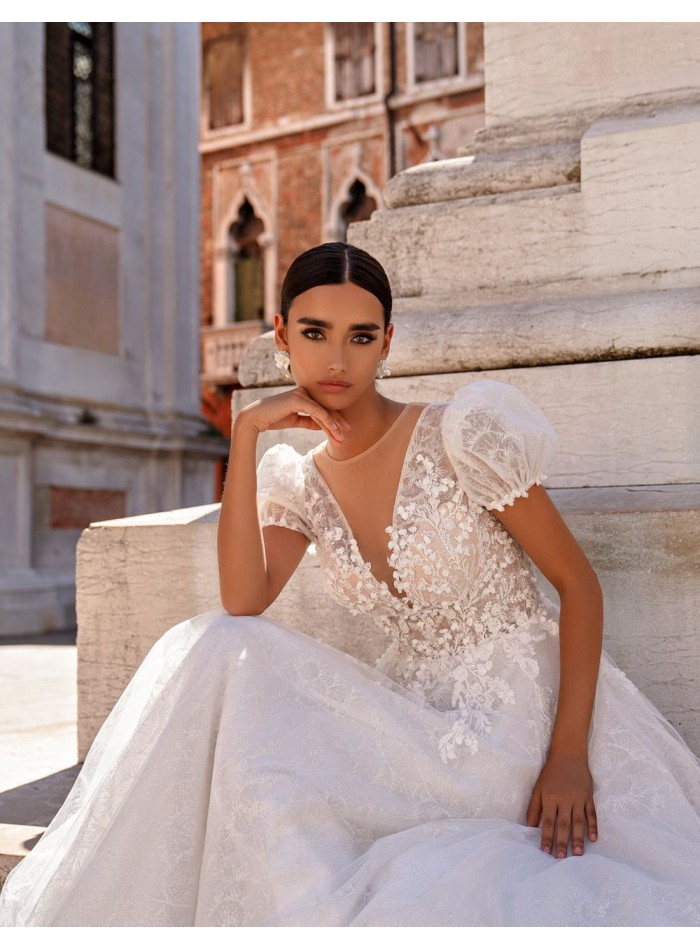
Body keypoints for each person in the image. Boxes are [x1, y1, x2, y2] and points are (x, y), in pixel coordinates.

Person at [1, 242, 699, 927]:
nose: (337, 360)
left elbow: (579, 586)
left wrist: (570, 756)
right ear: (281, 337)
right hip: (414, 718)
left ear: (387, 341)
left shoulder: (462, 434)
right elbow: (243, 601)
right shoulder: (300, 484)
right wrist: (244, 439)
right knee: (219, 652)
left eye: (361, 337)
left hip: (520, 723)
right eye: (314, 333)